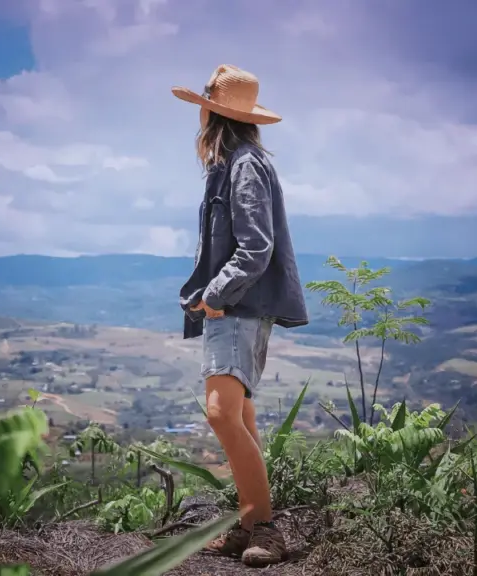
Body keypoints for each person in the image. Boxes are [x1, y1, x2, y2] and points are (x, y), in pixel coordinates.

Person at [173, 64, 309, 567]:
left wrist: (214, 293)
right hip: (234, 307)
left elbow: (256, 247)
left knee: (221, 413)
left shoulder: (244, 165)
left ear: (213, 113)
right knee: (241, 414)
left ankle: (266, 529)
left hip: (238, 307)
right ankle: (250, 522)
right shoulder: (232, 164)